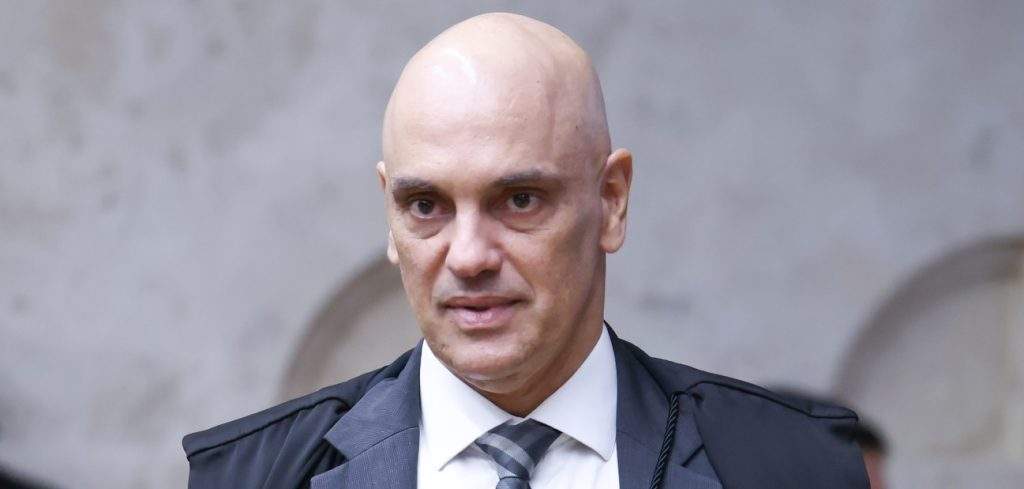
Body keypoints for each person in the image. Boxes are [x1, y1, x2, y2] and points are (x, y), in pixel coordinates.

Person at [182, 13, 868, 489]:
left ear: (612, 201)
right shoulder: (250, 475)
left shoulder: (790, 465)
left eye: (518, 200)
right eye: (426, 206)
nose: (469, 256)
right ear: (389, 214)